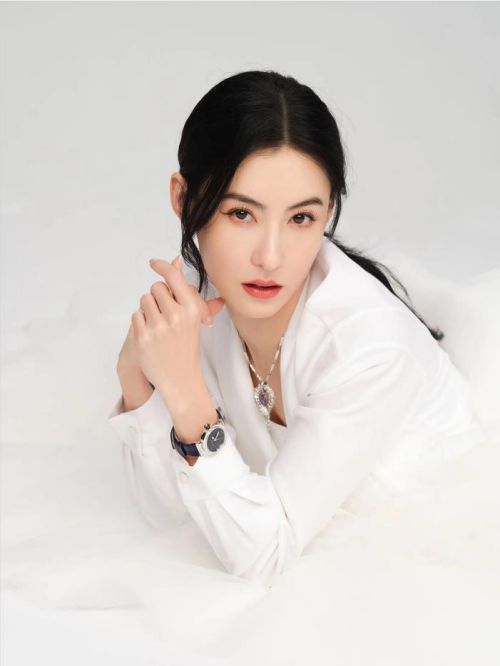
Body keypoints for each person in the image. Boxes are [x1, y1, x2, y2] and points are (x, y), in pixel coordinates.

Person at [107, 70, 485, 587]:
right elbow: (171, 517)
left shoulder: (369, 348)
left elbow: (261, 558)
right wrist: (135, 375)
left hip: (435, 563)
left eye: (301, 218)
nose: (270, 256)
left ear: (329, 212)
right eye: (241, 213)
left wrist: (185, 393)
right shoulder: (202, 296)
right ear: (183, 198)